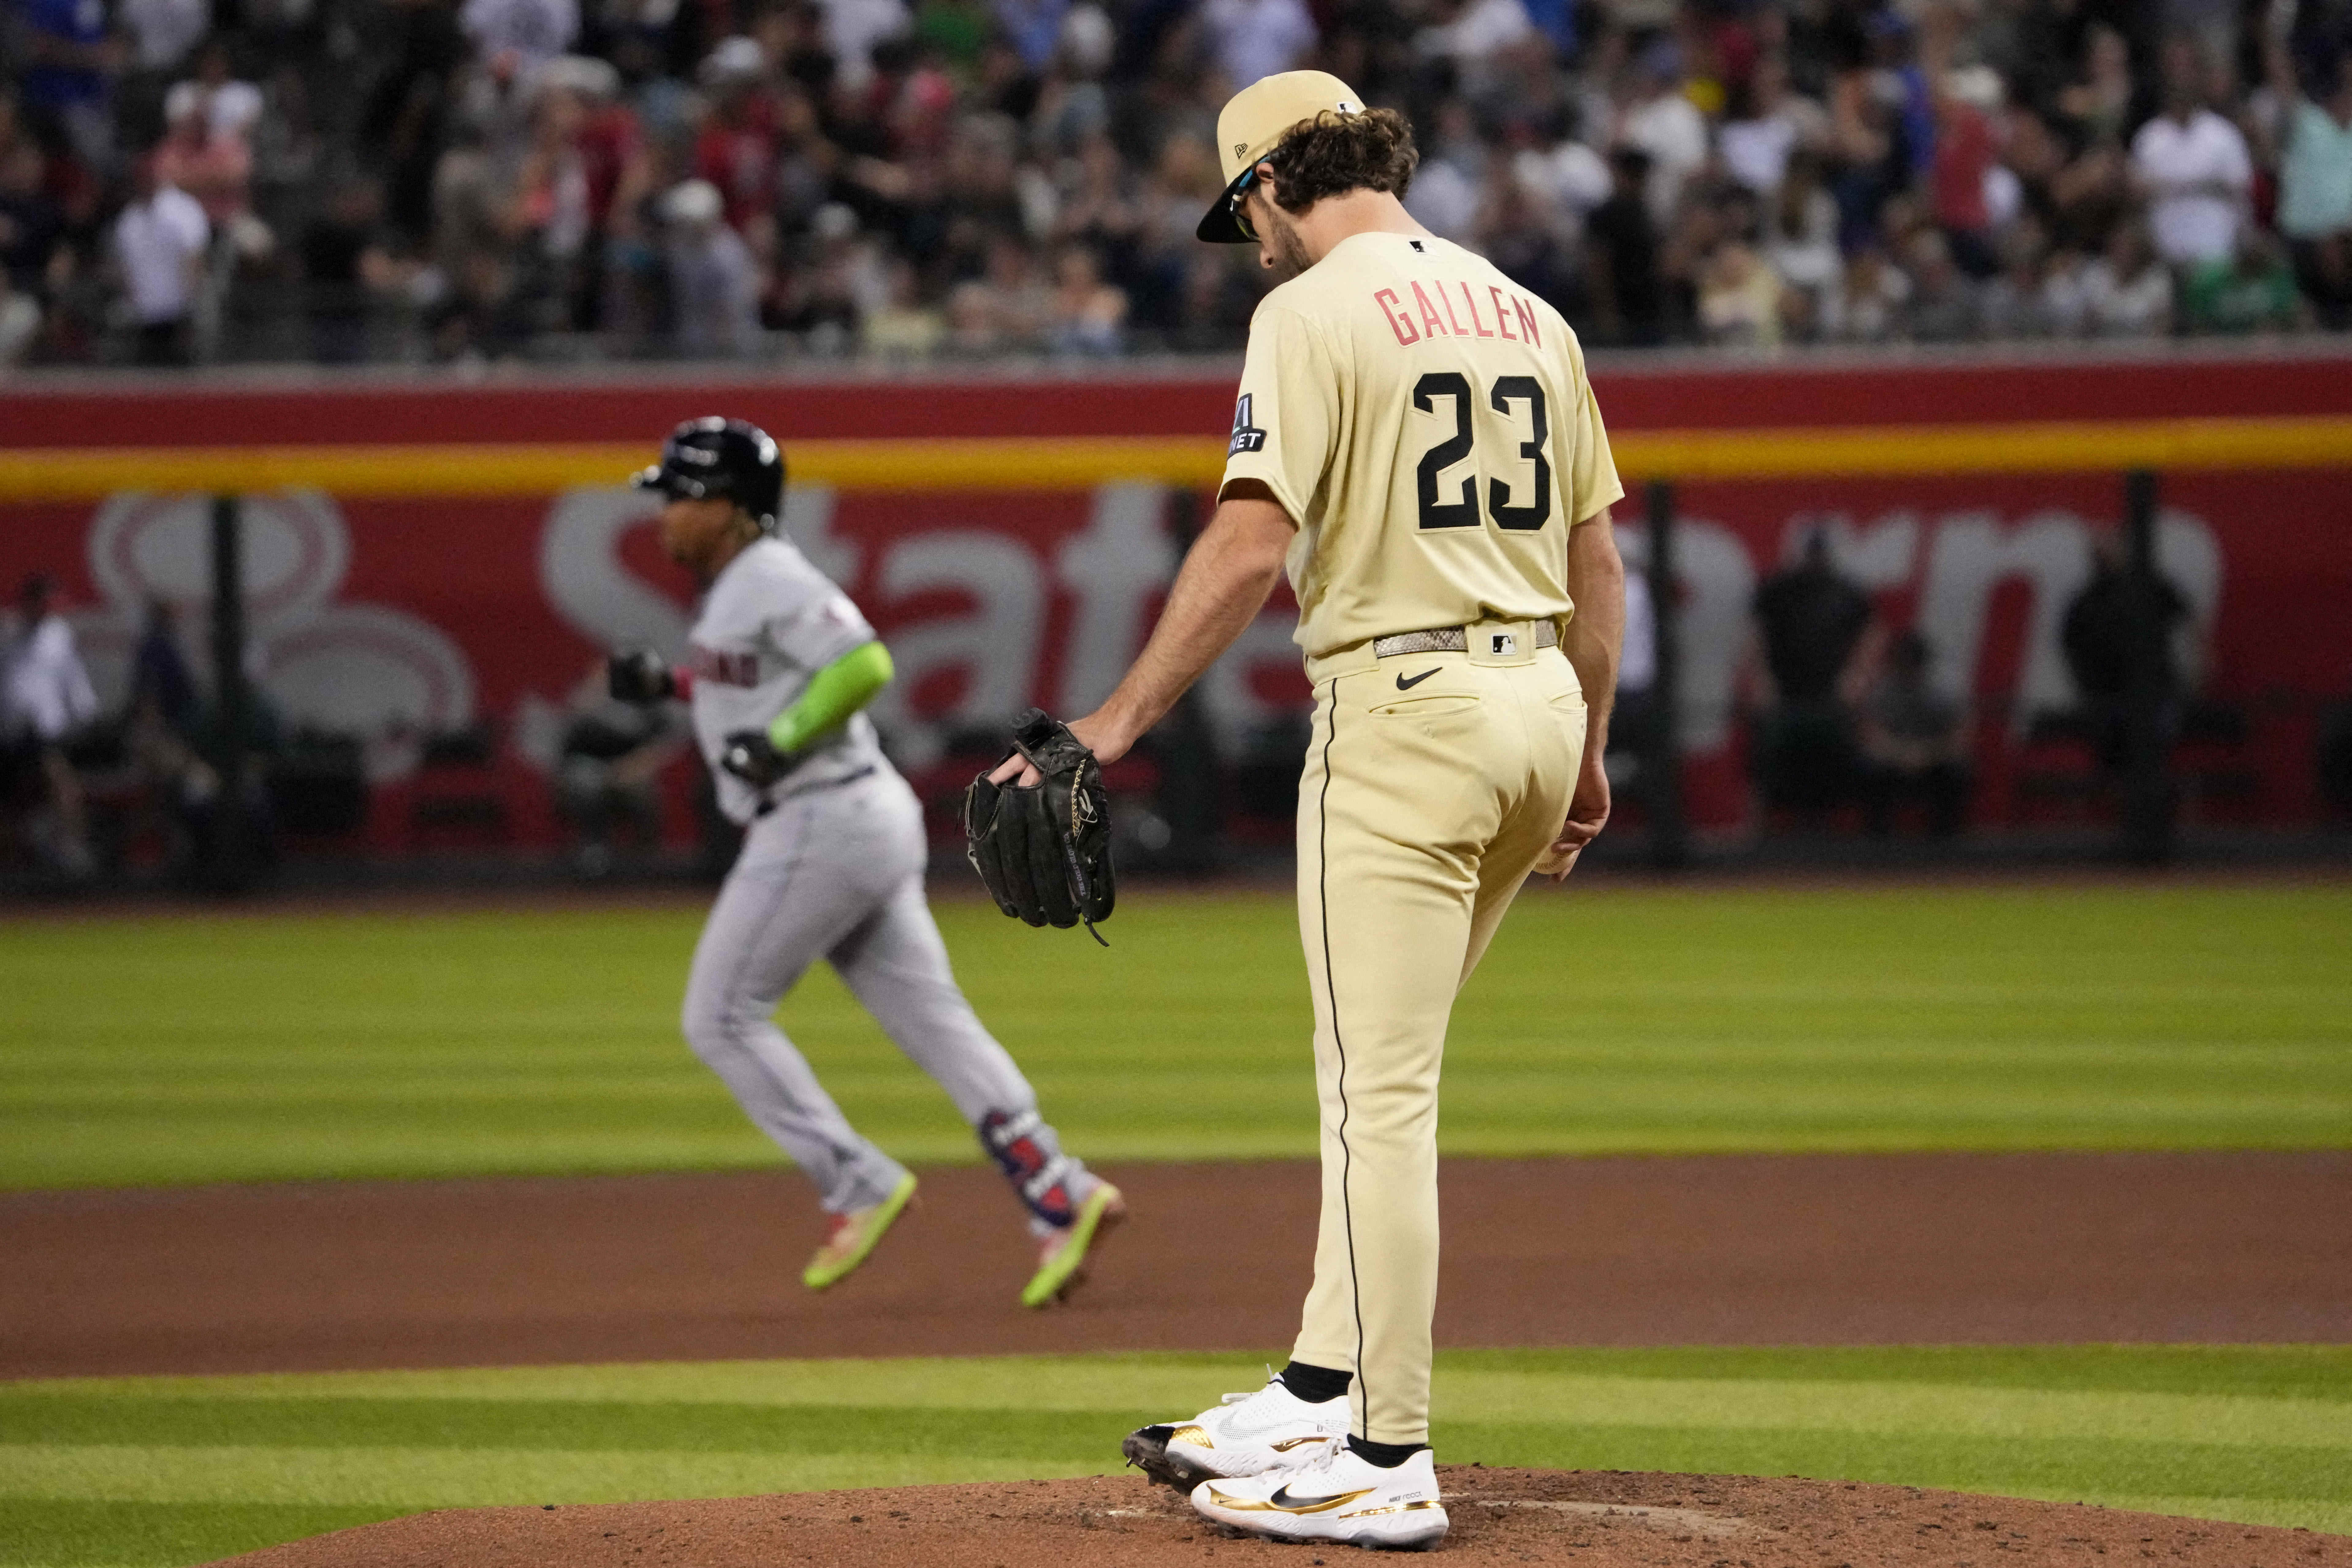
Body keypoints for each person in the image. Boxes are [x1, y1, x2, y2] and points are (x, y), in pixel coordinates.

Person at [990, 73, 1625, 1548]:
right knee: (1378, 1072)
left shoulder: (1311, 310)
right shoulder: (1530, 311)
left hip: (1405, 717)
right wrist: (1588, 747)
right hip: (1532, 704)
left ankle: (1387, 1454)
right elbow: (1598, 560)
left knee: (1376, 1097)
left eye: (1243, 215)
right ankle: (1318, 1386)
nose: (1248, 247)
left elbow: (1252, 536)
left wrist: (1113, 719)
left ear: (1274, 180)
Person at [609, 417, 1123, 1306]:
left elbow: (860, 662)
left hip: (818, 818)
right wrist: (672, 684)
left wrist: (776, 740)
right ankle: (1059, 1189)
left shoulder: (767, 574)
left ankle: (858, 1183)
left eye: (682, 497)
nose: (665, 515)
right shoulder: (740, 585)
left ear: (732, 509)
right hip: (850, 818)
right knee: (933, 1019)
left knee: (722, 1017)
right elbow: (758, 675)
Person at [1748, 529, 1874, 819]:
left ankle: (1830, 828)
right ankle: (1758, 834)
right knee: (1771, 760)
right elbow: (1758, 636)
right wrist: (1762, 680)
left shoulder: (1845, 590)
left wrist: (1857, 676)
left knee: (1833, 763)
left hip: (1832, 695)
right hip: (1786, 694)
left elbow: (1872, 633)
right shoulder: (1779, 590)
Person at [2, 572, 99, 880]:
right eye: (43, 603)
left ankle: (71, 848)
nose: (48, 610)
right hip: (9, 734)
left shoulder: (58, 636)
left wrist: (86, 715)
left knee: (61, 781)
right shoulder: (8, 634)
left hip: (46, 733)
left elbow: (75, 683)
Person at [1855, 628, 1970, 837]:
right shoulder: (1882, 693)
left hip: (1932, 759)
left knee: (1956, 771)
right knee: (1870, 768)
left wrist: (1926, 754)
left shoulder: (1941, 696)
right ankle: (1877, 836)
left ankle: (1943, 837)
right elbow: (1871, 735)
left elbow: (1959, 738)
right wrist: (1903, 754)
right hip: (1893, 759)